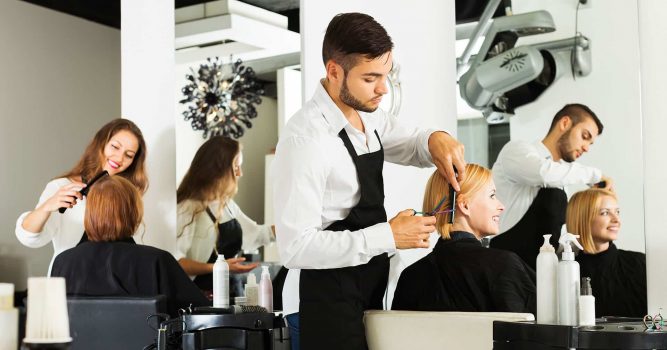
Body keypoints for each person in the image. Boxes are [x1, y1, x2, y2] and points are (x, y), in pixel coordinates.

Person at [272, 12, 466, 350]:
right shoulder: (305, 140)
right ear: (334, 71)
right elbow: (295, 248)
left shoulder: (368, 115)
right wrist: (389, 236)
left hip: (365, 289)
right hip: (320, 300)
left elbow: (410, 142)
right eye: (370, 78)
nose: (382, 89)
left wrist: (436, 138)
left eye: (386, 75)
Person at [51, 176, 209, 316]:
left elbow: (55, 322)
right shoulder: (157, 261)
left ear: (90, 213)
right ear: (134, 213)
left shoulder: (62, 262)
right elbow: (201, 315)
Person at [392, 164, 536, 314]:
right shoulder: (504, 264)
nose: (501, 206)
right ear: (465, 205)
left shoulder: (411, 277)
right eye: (492, 195)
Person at [15, 118, 148, 275]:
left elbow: (133, 248)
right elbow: (29, 238)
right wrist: (47, 206)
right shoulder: (61, 187)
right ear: (101, 143)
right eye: (115, 147)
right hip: (69, 283)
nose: (119, 158)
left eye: (129, 155)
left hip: (117, 286)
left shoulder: (129, 195)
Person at [490, 103, 612, 269]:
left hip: (541, 275)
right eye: (585, 136)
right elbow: (543, 173)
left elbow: (554, 240)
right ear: (565, 123)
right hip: (505, 267)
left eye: (590, 144)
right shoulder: (517, 151)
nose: (586, 148)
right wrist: (595, 175)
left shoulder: (561, 182)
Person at [175, 136, 274, 298]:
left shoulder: (227, 204)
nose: (240, 173)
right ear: (217, 169)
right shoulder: (188, 207)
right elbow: (177, 263)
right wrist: (219, 267)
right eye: (236, 167)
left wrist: (291, 229)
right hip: (202, 298)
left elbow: (255, 234)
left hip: (231, 293)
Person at [566, 188, 647, 318]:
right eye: (605, 213)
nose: (616, 219)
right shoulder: (566, 271)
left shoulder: (640, 264)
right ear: (583, 218)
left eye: (617, 212)